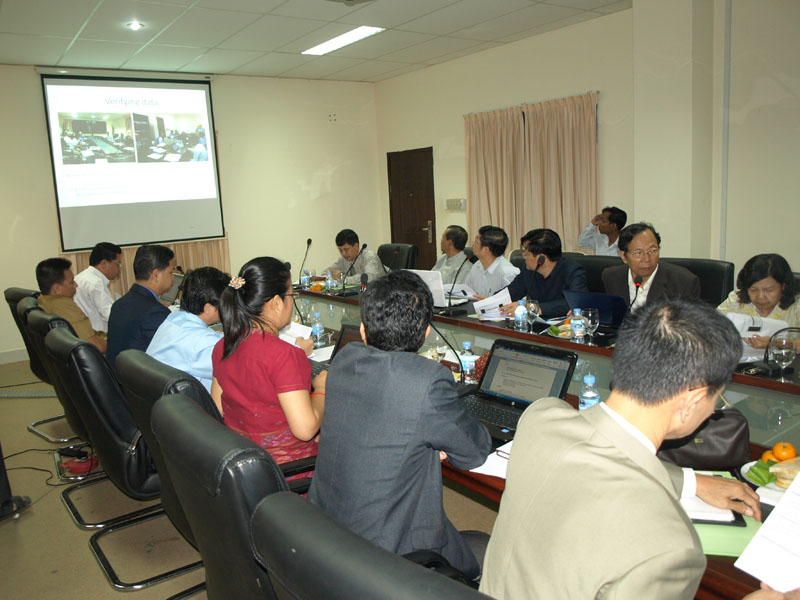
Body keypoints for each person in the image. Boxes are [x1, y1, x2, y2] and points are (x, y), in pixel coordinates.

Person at [480, 298, 761, 599]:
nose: (712, 411)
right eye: (716, 401)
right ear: (692, 400)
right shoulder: (671, 548)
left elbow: (609, 451)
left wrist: (693, 482)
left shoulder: (540, 418)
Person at [308, 270, 491, 579]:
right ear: (426, 332)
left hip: (324, 531)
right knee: (489, 554)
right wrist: (433, 442)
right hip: (386, 554)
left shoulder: (345, 359)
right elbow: (473, 453)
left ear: (363, 330)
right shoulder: (427, 380)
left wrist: (422, 442)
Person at [211, 257, 325, 470]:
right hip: (290, 471)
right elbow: (305, 430)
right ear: (276, 303)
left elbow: (218, 410)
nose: (292, 303)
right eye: (291, 295)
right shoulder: (284, 355)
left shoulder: (223, 346)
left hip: (243, 468)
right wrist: (321, 388)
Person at [146, 267, 229, 392]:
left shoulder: (174, 318)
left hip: (161, 398)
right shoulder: (202, 343)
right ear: (208, 308)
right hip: (186, 402)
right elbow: (235, 367)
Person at [106, 245, 176, 369]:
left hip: (119, 375)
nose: (173, 277)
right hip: (138, 378)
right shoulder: (155, 312)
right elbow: (173, 355)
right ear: (156, 275)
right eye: (171, 272)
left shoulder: (120, 303)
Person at [602, 222, 700, 310]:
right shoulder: (611, 277)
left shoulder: (683, 283)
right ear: (623, 256)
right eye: (638, 252)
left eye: (653, 251)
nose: (647, 259)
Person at [717, 253, 799, 349]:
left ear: (783, 286)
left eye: (769, 290)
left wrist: (779, 343)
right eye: (753, 289)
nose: (760, 297)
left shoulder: (796, 307)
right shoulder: (736, 301)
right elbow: (710, 327)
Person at [503, 228, 588, 318]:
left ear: (541, 258)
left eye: (527, 254)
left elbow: (576, 302)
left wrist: (534, 307)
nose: (524, 257)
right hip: (535, 323)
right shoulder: (528, 271)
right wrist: (493, 302)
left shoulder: (573, 271)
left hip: (564, 324)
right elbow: (510, 294)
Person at [35, 258, 107, 353]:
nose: (76, 285)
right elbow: (97, 347)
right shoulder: (64, 307)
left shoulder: (43, 300)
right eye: (72, 282)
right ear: (57, 289)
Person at [74, 242, 122, 333]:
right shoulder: (96, 283)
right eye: (117, 264)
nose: (119, 268)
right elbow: (111, 316)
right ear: (104, 263)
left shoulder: (81, 277)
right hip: (97, 336)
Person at [464, 225, 519, 297]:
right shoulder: (477, 265)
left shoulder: (507, 273)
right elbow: (467, 292)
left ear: (486, 249)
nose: (473, 243)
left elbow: (511, 300)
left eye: (476, 241)